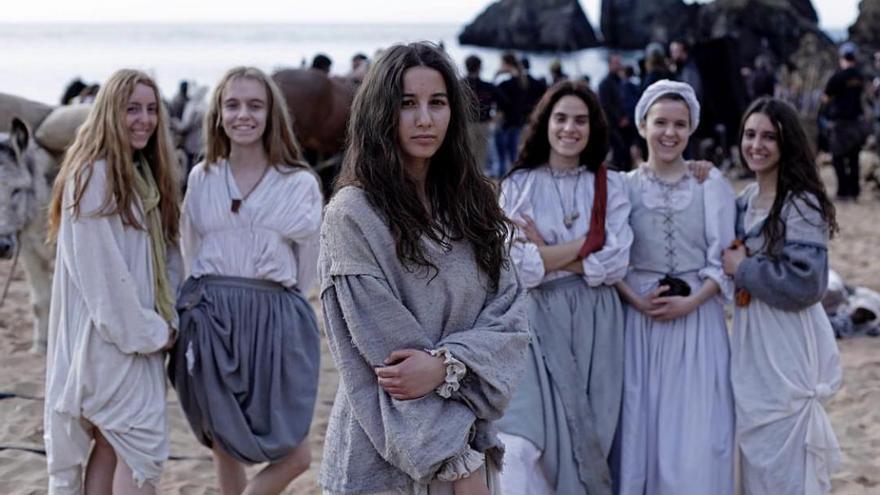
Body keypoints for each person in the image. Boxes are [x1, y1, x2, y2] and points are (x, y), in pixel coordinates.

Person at [318, 41, 530, 495]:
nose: (424, 119)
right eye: (407, 104)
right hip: (385, 456)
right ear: (381, 113)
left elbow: (511, 323)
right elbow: (388, 361)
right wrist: (458, 462)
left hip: (467, 448)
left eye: (437, 103)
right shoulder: (352, 215)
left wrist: (445, 365)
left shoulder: (474, 203)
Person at [168, 66, 322, 495]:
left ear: (272, 114)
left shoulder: (299, 183)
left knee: (297, 452)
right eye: (232, 105)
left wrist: (271, 298)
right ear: (217, 114)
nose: (243, 115)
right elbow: (189, 249)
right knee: (223, 440)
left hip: (275, 316)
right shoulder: (202, 178)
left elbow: (307, 264)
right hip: (211, 315)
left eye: (255, 105)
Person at [44, 68, 181, 494]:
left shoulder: (139, 173)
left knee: (109, 445)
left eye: (151, 109)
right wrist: (152, 331)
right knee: (140, 455)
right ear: (108, 112)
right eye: (131, 109)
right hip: (112, 342)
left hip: (130, 337)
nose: (144, 119)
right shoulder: (93, 176)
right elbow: (104, 280)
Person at [496, 80, 633, 495]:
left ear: (593, 127)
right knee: (528, 436)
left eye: (580, 120)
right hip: (537, 317)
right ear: (545, 123)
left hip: (598, 318)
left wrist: (546, 251)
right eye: (561, 118)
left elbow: (615, 261)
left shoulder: (612, 185)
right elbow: (516, 267)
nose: (570, 128)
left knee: (594, 426)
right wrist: (581, 252)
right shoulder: (518, 185)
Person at [615, 80, 735, 495]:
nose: (670, 133)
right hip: (640, 324)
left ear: (691, 129)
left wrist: (693, 303)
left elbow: (724, 259)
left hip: (697, 321)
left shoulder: (709, 182)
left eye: (680, 124)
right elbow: (611, 260)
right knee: (642, 424)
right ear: (642, 125)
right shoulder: (622, 187)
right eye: (661, 122)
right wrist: (638, 301)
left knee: (695, 431)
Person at [723, 97, 842, 495]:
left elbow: (808, 284)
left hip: (788, 336)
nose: (757, 144)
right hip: (750, 333)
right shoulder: (740, 203)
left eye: (769, 137)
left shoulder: (801, 204)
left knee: (786, 438)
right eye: (750, 134)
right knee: (752, 436)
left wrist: (743, 269)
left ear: (786, 142)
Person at [823, 42, 867, 200]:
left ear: (842, 58)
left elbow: (826, 97)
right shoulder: (859, 77)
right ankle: (854, 191)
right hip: (855, 122)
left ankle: (843, 191)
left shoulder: (837, 77)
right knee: (854, 158)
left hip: (840, 123)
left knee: (838, 158)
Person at [494, 52, 529, 178]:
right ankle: (515, 180)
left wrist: (496, 75)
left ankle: (501, 182)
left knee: (502, 156)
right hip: (517, 121)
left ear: (506, 64)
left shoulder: (505, 82)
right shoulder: (522, 81)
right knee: (514, 154)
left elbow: (497, 97)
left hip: (505, 123)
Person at [462, 54, 498, 173]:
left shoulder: (459, 84)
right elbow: (505, 102)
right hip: (484, 124)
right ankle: (477, 180)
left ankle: (466, 180)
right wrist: (494, 117)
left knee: (466, 155)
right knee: (480, 156)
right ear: (480, 67)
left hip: (466, 124)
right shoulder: (488, 86)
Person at [599, 53, 632, 170]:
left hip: (624, 126)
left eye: (619, 62)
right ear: (609, 65)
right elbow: (605, 106)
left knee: (625, 155)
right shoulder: (605, 84)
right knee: (618, 154)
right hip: (612, 126)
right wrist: (619, 119)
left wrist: (627, 117)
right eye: (616, 63)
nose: (619, 65)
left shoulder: (620, 82)